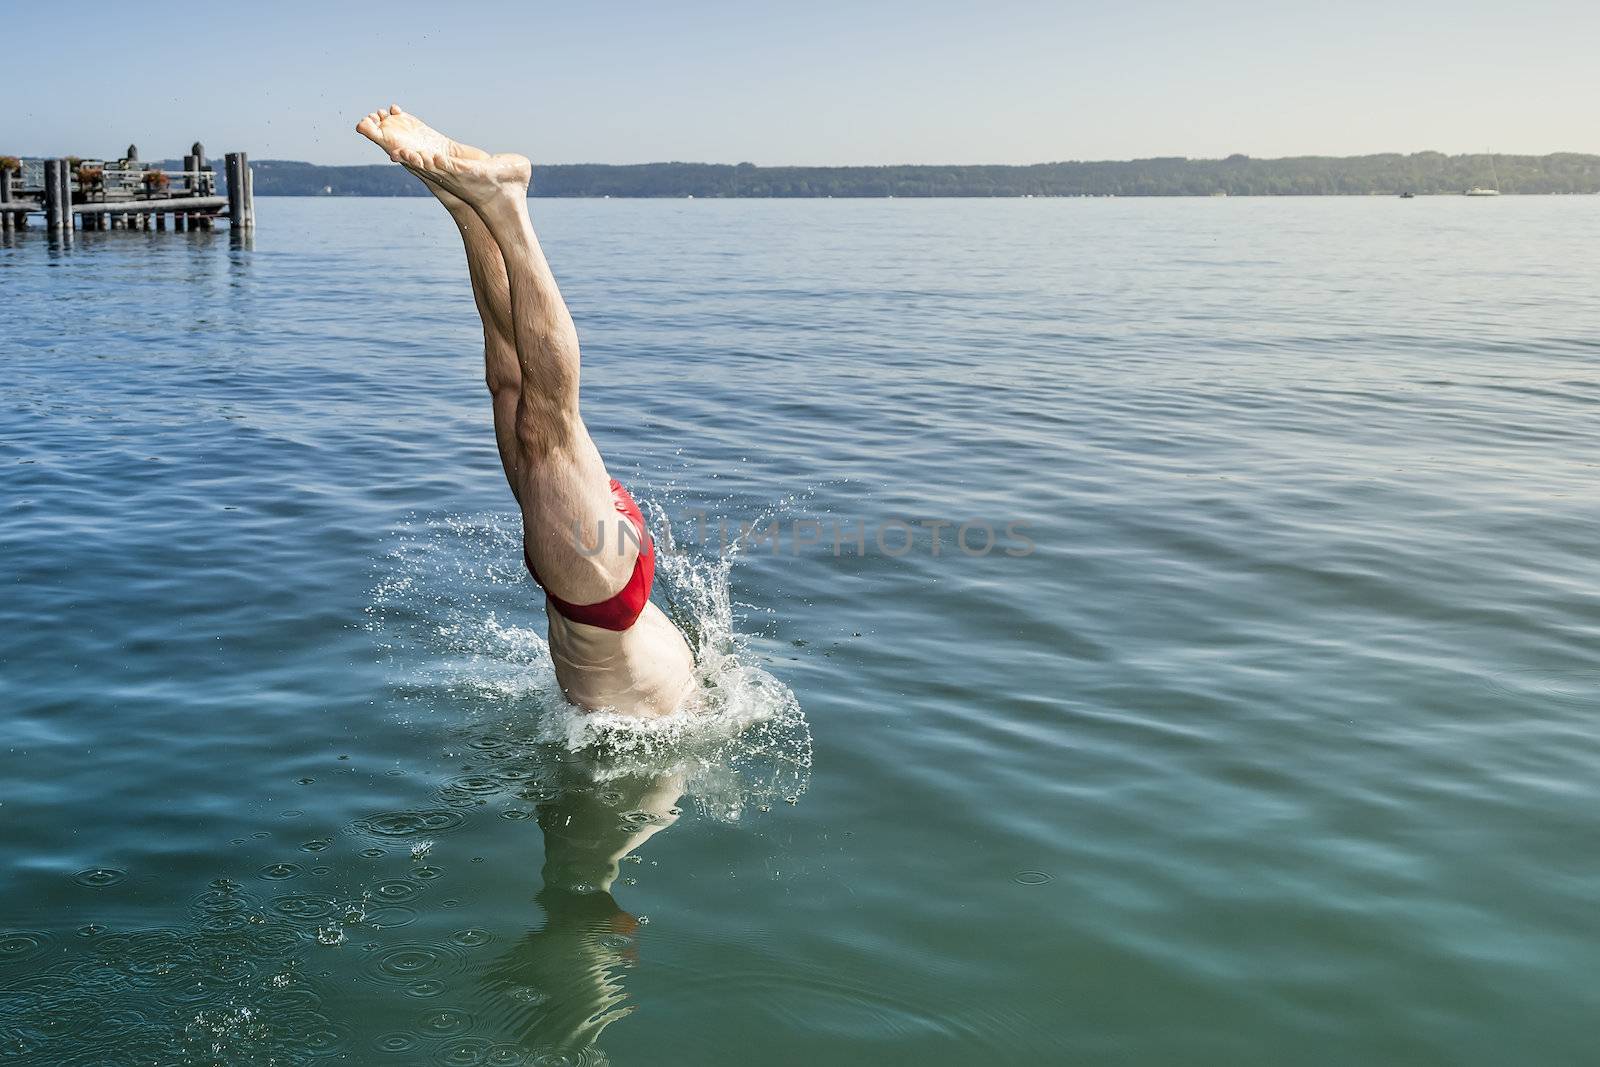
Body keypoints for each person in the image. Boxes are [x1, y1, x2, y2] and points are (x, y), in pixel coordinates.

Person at [356, 106, 696, 717]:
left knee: (511, 388)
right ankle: (509, 211)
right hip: (598, 590)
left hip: (611, 571)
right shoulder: (661, 760)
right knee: (548, 423)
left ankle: (470, 210)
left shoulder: (683, 680)